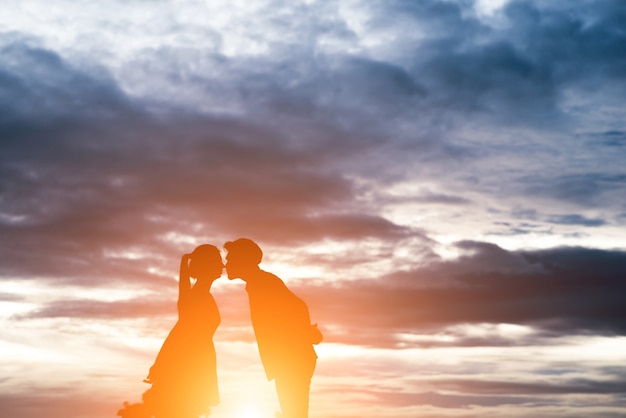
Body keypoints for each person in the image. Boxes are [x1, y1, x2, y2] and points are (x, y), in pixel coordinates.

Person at [223, 238, 322, 418]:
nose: (226, 264)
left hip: (292, 359)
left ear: (242, 260)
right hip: (289, 358)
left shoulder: (263, 283)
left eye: (230, 259)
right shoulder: (257, 283)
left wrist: (305, 333)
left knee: (295, 414)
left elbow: (298, 307)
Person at [142, 244, 223, 418]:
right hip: (189, 362)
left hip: (196, 359)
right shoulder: (197, 296)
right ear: (207, 265)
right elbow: (181, 330)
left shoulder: (200, 294)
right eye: (217, 261)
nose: (222, 265)